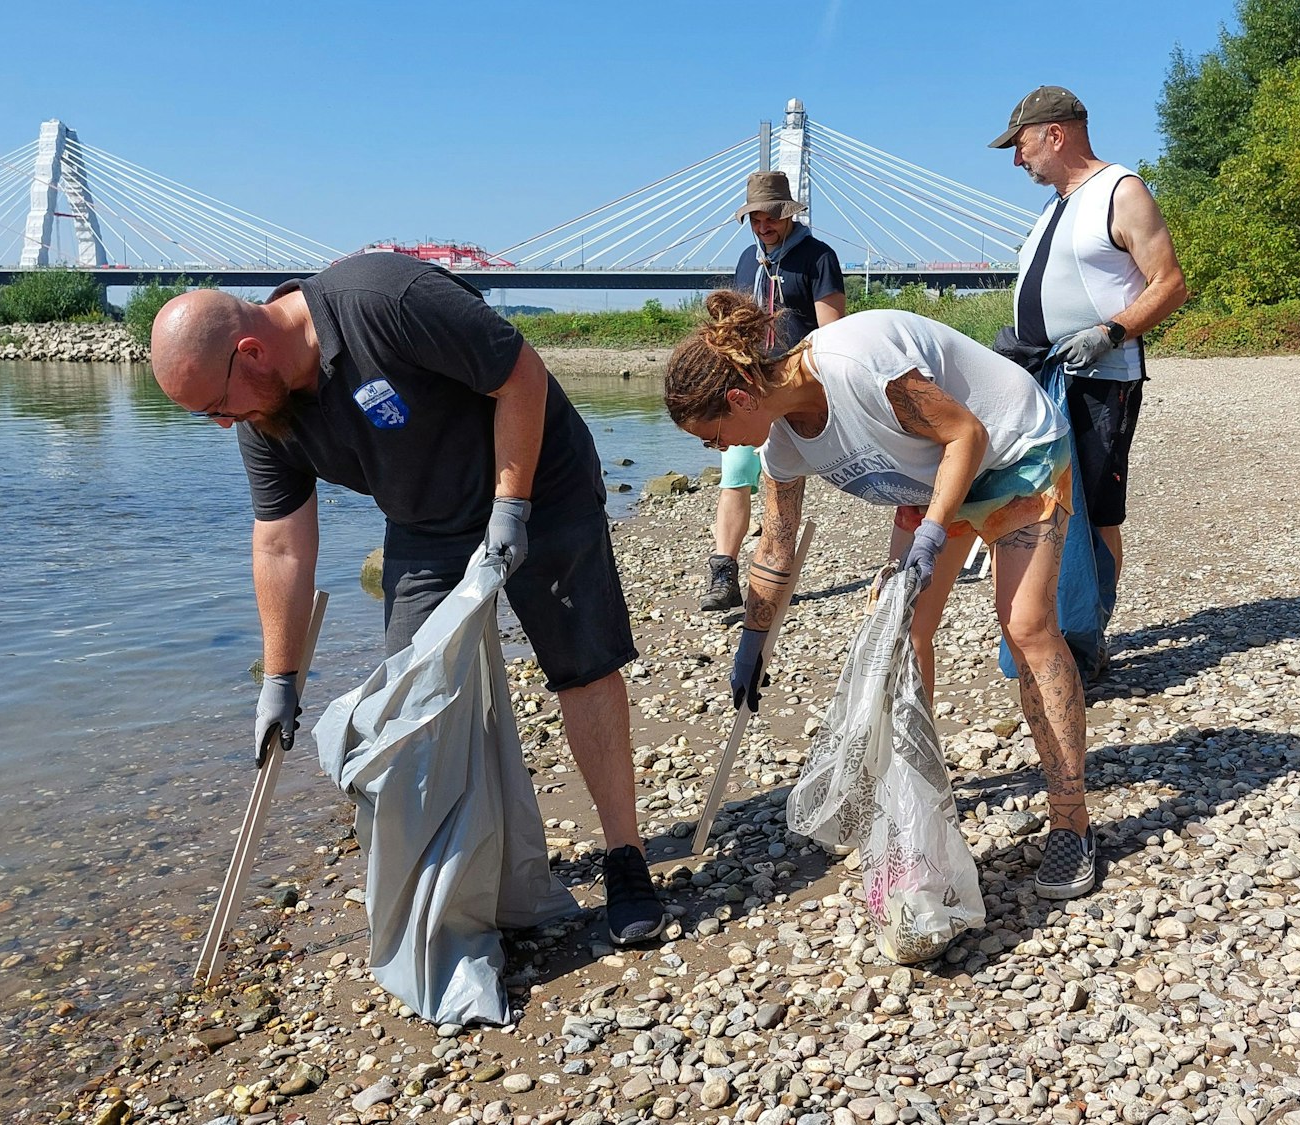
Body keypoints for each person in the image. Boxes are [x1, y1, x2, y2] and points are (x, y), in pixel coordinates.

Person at [149, 252, 665, 945]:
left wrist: (510, 506)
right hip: (425, 525)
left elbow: (521, 375)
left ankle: (625, 858)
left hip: (544, 483)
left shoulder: (384, 299)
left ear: (251, 351)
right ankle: (461, 883)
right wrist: (279, 678)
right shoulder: (262, 419)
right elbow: (280, 543)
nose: (221, 424)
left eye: (216, 405)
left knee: (583, 664)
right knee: (414, 707)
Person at [665, 292, 1102, 899]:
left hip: (1011, 453)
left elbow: (966, 434)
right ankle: (920, 804)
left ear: (739, 398)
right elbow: (775, 548)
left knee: (1025, 626)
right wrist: (753, 641)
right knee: (899, 634)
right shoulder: (782, 443)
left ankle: (1070, 819)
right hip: (932, 481)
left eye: (713, 437)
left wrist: (928, 535)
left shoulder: (856, 365)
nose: (718, 451)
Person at [989, 85, 1187, 580]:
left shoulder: (1122, 191)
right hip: (1046, 374)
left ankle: (1091, 629)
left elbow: (1171, 284)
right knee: (1047, 502)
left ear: (1054, 135)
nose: (1017, 160)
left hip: (1100, 379)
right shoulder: (1055, 205)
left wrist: (1110, 332)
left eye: (1021, 145)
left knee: (1094, 509)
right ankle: (1060, 623)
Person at [701, 170, 846, 612]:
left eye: (770, 218)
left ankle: (773, 576)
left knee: (783, 485)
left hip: (798, 389)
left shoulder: (819, 258)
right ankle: (723, 573)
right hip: (750, 387)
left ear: (788, 214)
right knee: (735, 474)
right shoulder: (748, 260)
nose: (763, 227)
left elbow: (833, 333)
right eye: (755, 220)